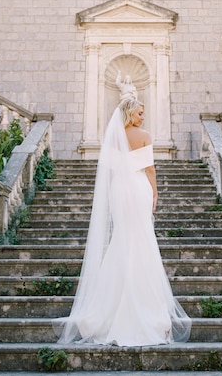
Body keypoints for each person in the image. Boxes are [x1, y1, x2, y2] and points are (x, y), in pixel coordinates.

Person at [53, 97, 191, 346]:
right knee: (140, 239)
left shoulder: (113, 138)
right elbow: (149, 169)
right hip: (138, 188)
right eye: (139, 113)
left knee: (122, 238)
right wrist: (155, 192)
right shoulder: (145, 135)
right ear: (130, 114)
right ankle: (141, 306)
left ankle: (108, 308)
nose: (142, 117)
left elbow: (111, 170)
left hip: (119, 189)